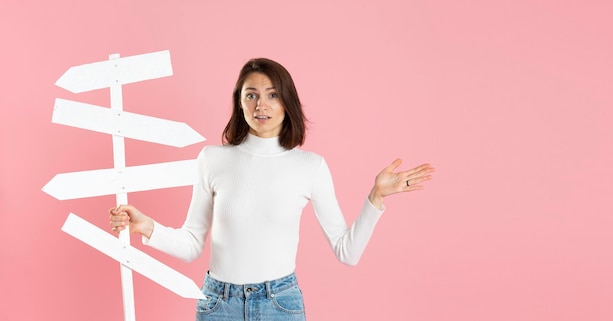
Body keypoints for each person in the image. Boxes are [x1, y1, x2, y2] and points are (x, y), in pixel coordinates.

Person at [109, 58, 434, 321]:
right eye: (251, 94)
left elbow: (347, 252)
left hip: (279, 305)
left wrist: (375, 198)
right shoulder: (213, 159)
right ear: (239, 102)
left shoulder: (310, 166)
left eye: (272, 94)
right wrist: (145, 226)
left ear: (286, 101)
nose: (261, 105)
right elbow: (192, 244)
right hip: (218, 305)